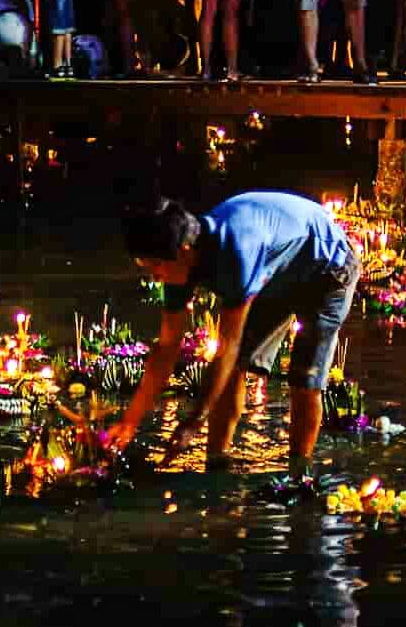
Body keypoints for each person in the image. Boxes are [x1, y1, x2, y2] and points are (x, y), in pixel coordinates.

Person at [107, 192, 360, 470]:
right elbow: (167, 347)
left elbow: (228, 348)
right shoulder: (176, 265)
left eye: (155, 266)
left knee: (304, 380)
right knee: (233, 370)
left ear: (184, 250)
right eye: (146, 267)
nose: (155, 277)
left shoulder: (236, 252)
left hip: (329, 267)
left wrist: (194, 421)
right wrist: (129, 421)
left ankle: (299, 474)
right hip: (278, 272)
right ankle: (217, 462)